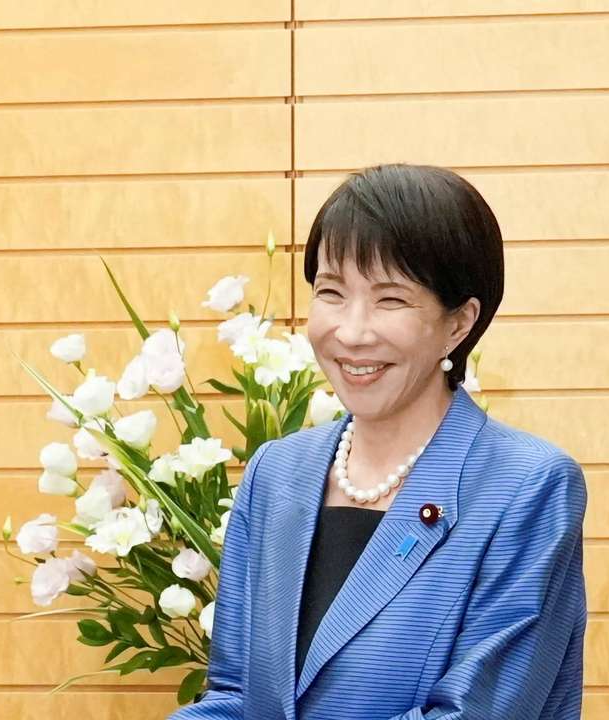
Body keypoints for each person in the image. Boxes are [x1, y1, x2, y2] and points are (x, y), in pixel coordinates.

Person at [171, 164, 586, 719]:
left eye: (390, 300)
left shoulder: (526, 486)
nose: (351, 331)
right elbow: (234, 696)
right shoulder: (276, 472)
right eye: (332, 292)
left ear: (459, 323)